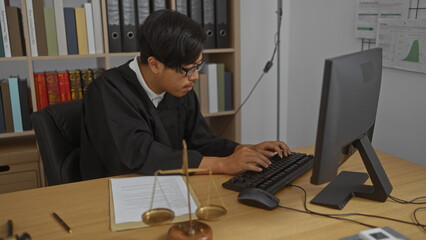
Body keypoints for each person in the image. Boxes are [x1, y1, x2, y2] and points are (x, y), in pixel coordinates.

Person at [80, 9, 291, 180]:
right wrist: (223, 164)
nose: (195, 77)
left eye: (198, 66)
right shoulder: (108, 91)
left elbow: (200, 142)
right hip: (115, 195)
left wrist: (243, 150)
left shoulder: (179, 87)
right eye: (189, 68)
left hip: (169, 187)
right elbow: (139, 156)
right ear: (155, 64)